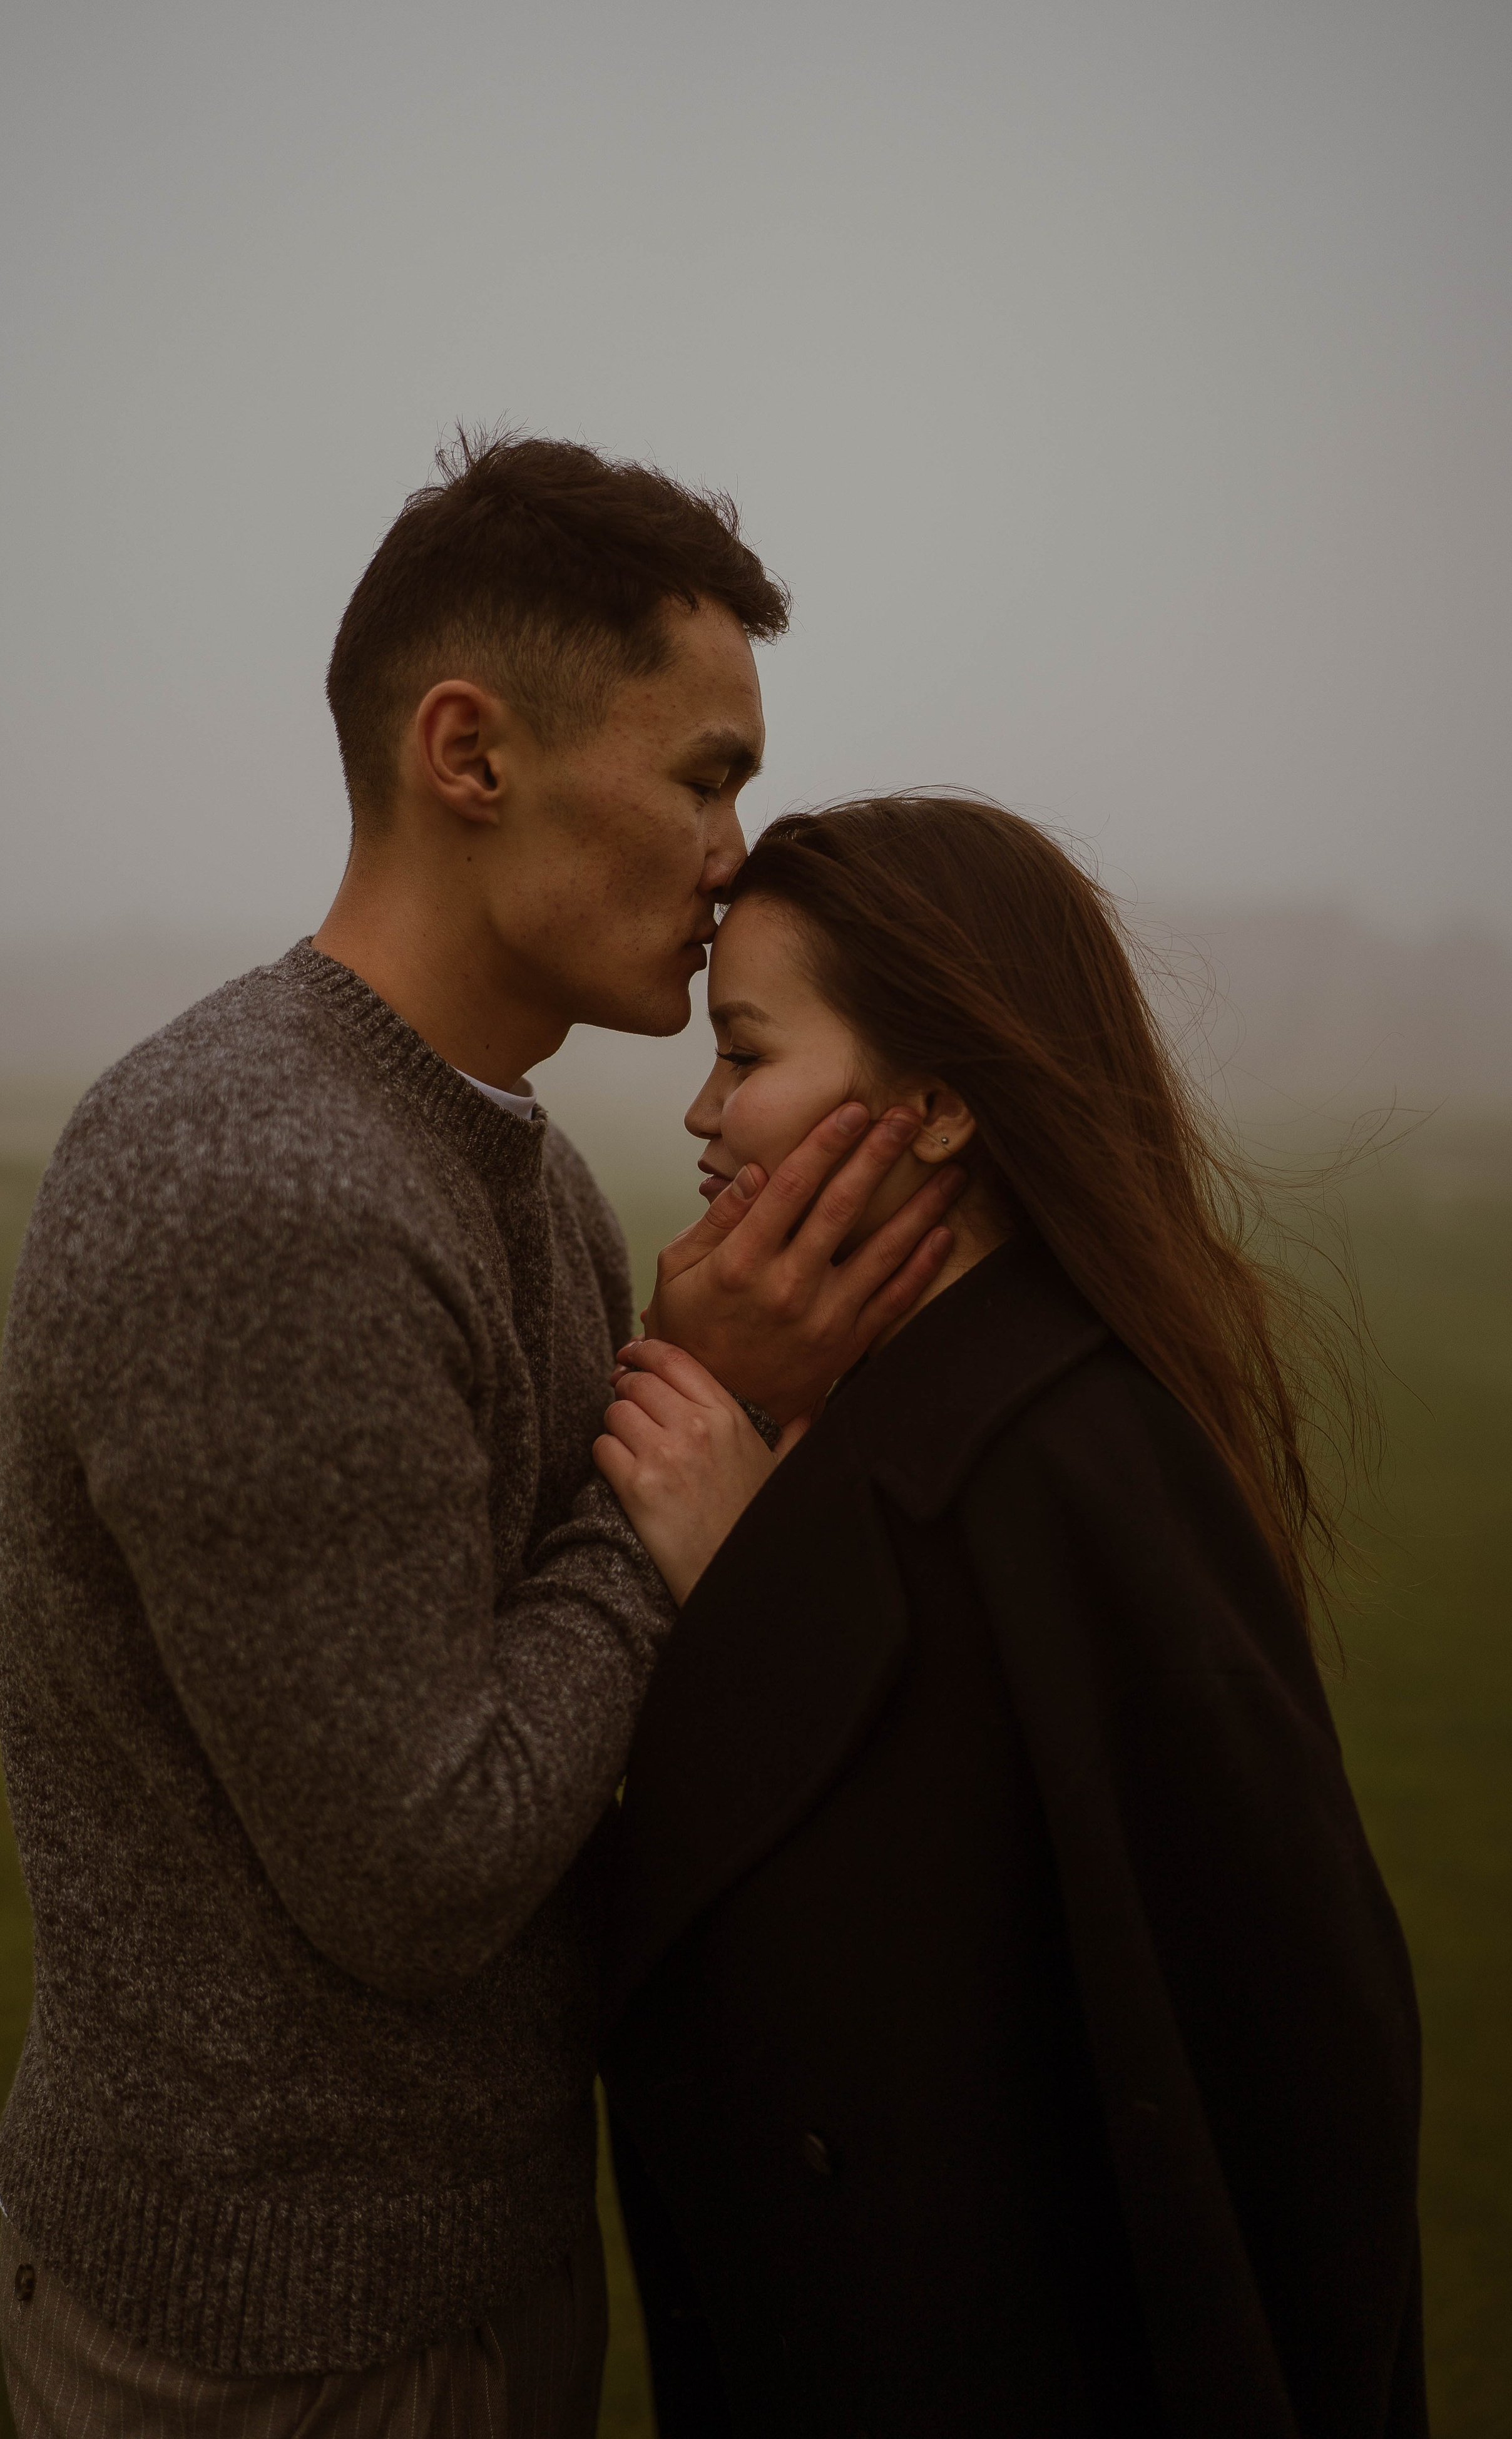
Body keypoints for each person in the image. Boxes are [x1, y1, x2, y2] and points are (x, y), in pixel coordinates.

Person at [0, 437, 961, 2438]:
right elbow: (419, 1866)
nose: (735, 853)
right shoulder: (256, 1185)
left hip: (473, 2256)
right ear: (469, 750)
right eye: (705, 773)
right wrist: (692, 1450)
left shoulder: (514, 1166)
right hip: (274, 2336)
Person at [596, 794, 1427, 2439]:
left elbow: (1243, 2070)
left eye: (746, 1054)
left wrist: (757, 1588)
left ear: (934, 1106)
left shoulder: (1082, 1465)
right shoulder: (904, 1426)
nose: (702, 1111)